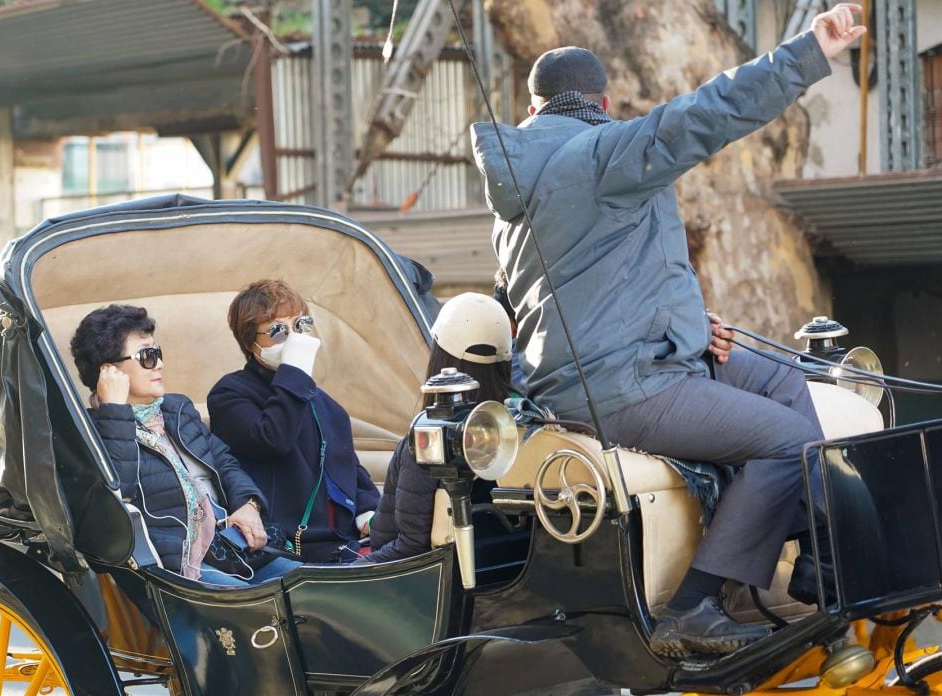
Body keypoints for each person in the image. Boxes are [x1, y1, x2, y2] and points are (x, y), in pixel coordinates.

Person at [470, 5, 865, 656]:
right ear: (601, 101)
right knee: (788, 438)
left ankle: (815, 559)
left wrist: (687, 322)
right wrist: (809, 53)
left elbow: (562, 290)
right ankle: (694, 607)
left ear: (534, 108)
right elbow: (708, 113)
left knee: (782, 379)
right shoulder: (602, 153)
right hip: (624, 386)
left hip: (607, 366)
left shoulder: (518, 188)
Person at [71, 304, 300, 586]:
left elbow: (225, 462)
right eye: (147, 356)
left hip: (230, 548)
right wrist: (116, 413)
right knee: (260, 605)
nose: (160, 364)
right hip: (178, 567)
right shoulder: (91, 432)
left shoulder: (177, 408)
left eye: (158, 353)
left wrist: (248, 504)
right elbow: (117, 501)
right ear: (108, 371)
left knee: (317, 590)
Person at [207, 279, 380, 563]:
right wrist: (294, 372)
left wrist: (367, 510)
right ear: (250, 342)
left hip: (344, 539)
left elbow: (347, 465)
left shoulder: (323, 402)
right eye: (277, 330)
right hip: (288, 545)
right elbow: (274, 439)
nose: (294, 338)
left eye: (300, 325)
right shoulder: (230, 394)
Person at [364, 292, 514, 564]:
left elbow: (410, 548)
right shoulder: (519, 424)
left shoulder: (430, 436)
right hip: (503, 566)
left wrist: (351, 570)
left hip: (409, 584)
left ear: (439, 355)